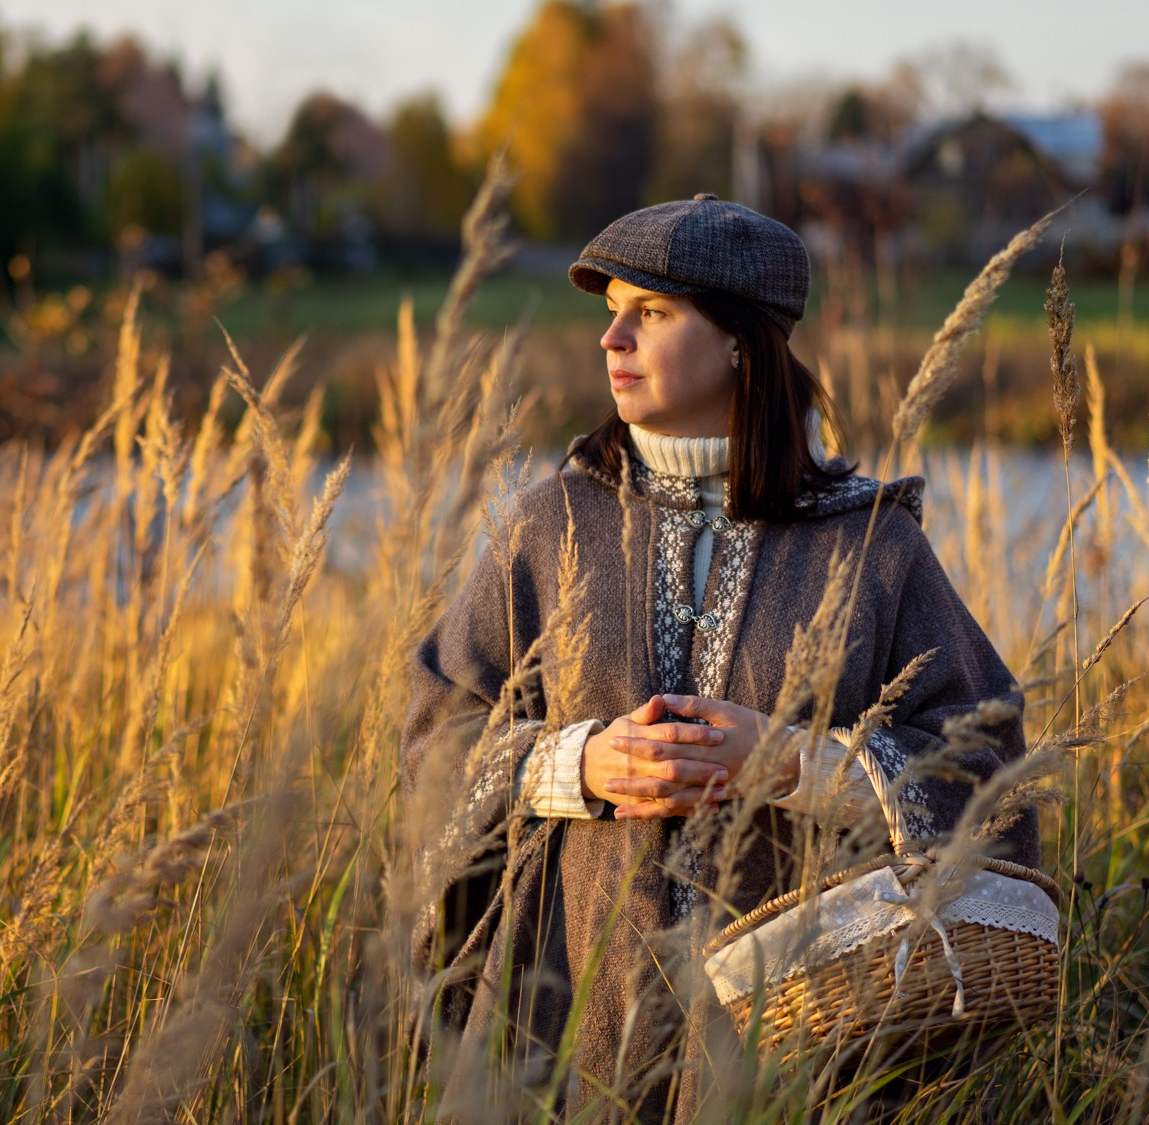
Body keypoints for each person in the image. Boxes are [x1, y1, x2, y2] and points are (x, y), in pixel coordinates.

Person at [400, 194, 1040, 1122]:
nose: (612, 338)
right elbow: (434, 740)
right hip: (569, 1014)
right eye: (611, 310)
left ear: (741, 341)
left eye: (652, 312)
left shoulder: (871, 544)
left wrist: (794, 763)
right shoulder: (546, 526)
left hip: (799, 1036)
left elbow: (989, 772)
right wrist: (580, 762)